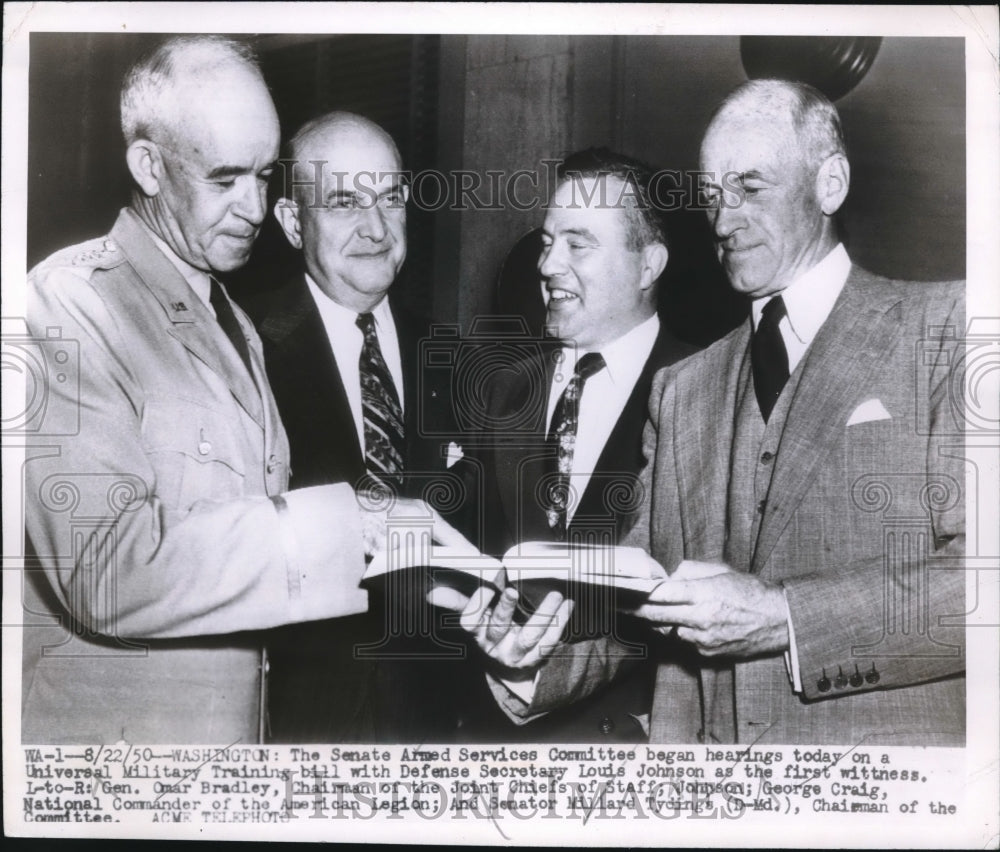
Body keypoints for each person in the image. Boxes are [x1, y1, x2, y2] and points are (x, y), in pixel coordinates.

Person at [460, 79, 965, 746]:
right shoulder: (684, 388)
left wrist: (786, 616)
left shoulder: (947, 328)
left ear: (830, 184)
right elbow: (639, 598)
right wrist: (528, 661)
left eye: (750, 188)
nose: (724, 220)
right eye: (712, 196)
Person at [21, 36, 452, 745]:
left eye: (263, 174)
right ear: (150, 167)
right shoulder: (69, 306)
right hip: (116, 764)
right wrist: (348, 525)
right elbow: (105, 568)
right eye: (225, 180)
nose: (254, 208)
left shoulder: (233, 325)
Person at [438, 149, 696, 742]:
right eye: (548, 241)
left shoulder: (705, 394)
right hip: (490, 736)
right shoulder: (501, 389)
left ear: (647, 264)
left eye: (578, 245)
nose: (548, 263)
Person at [244, 112, 457, 742]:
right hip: (296, 727)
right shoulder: (243, 351)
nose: (375, 227)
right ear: (290, 222)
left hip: (437, 726)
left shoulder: (453, 357)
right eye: (344, 202)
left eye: (390, 198)